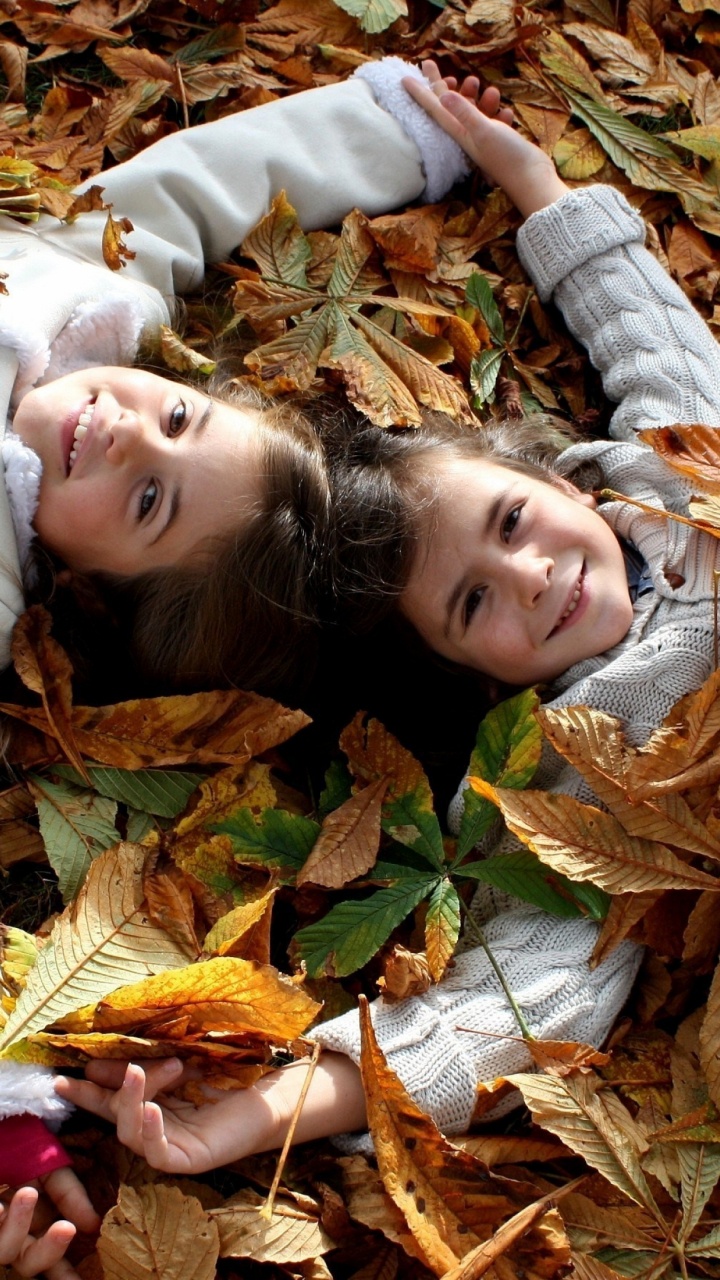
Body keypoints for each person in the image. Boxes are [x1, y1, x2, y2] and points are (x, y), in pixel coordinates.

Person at [50, 77, 689, 1176]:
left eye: (513, 519)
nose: (533, 577)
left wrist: (528, 175)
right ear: (466, 674)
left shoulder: (666, 469)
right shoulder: (575, 779)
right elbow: (520, 998)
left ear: (546, 473)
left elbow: (644, 323)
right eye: (474, 604)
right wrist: (263, 1110)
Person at [0, 57, 482, 1274]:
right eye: (175, 416)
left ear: (91, 590)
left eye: (147, 496)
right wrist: (404, 132)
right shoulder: (91, 305)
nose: (119, 430)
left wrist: (12, 1122)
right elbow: (208, 183)